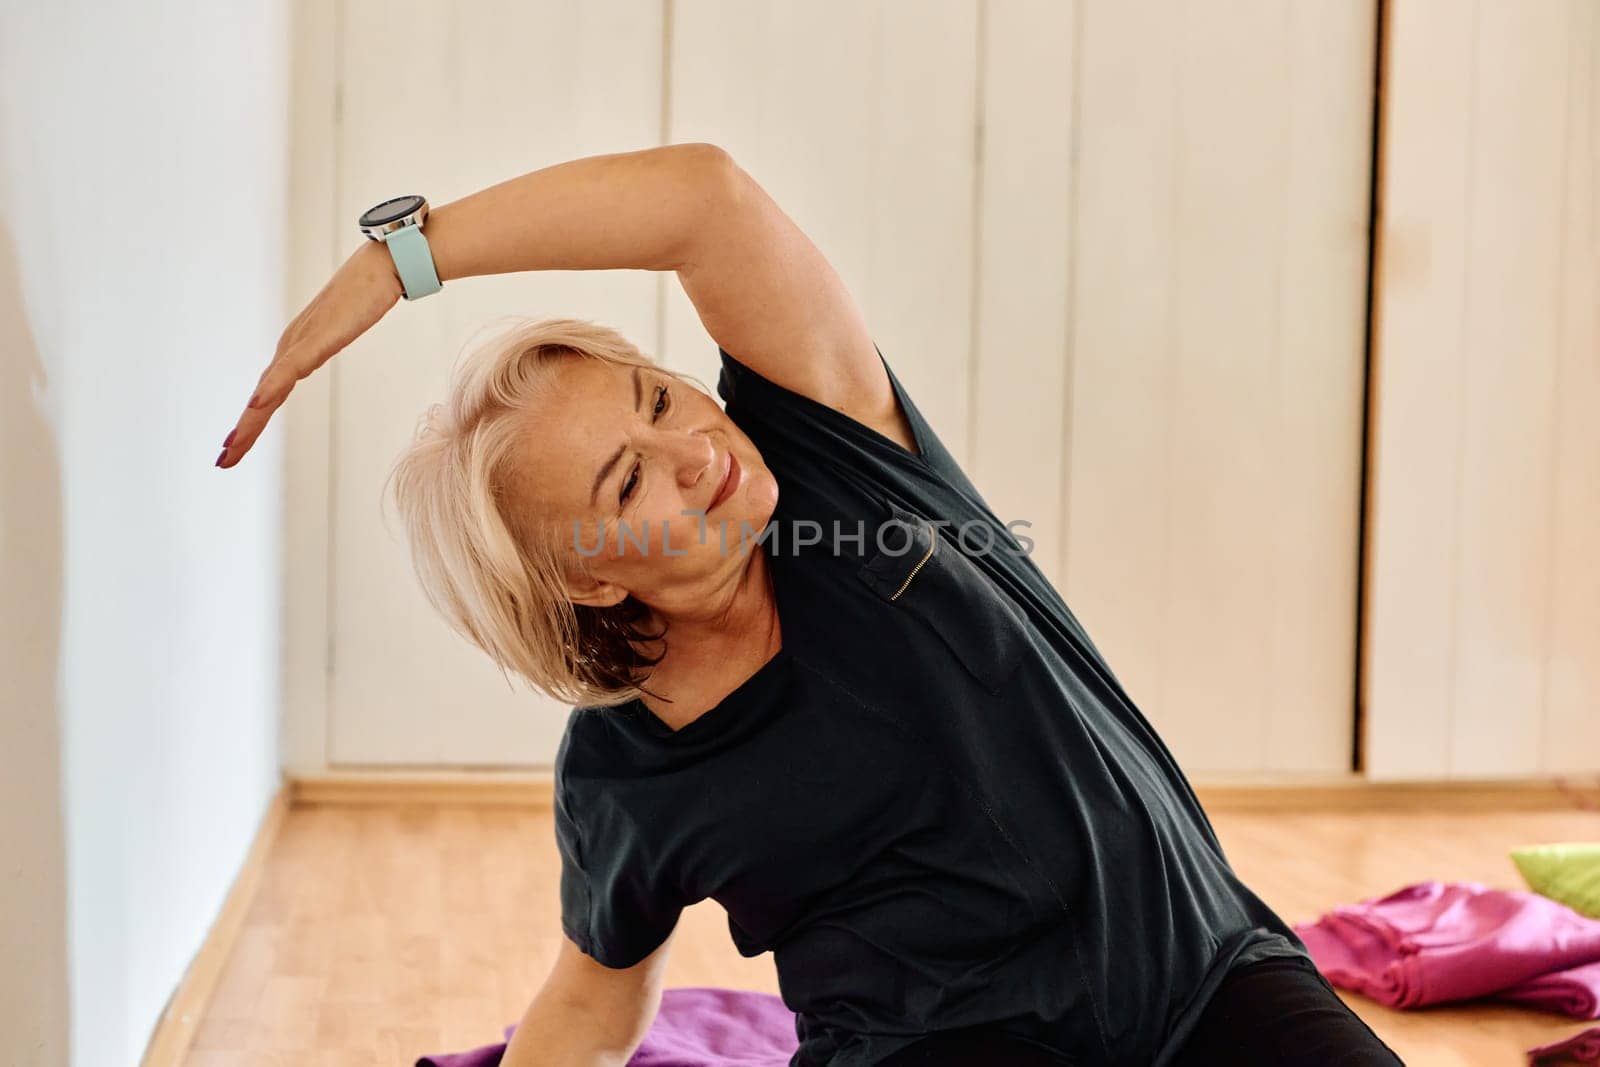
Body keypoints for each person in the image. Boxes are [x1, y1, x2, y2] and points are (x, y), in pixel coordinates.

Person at [217, 144, 1402, 1066]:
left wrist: (400, 260)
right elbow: (597, 984)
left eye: (660, 398)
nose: (690, 449)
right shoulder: (630, 769)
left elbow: (703, 198)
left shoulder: (841, 456)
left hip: (1201, 974)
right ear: (588, 576)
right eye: (627, 478)